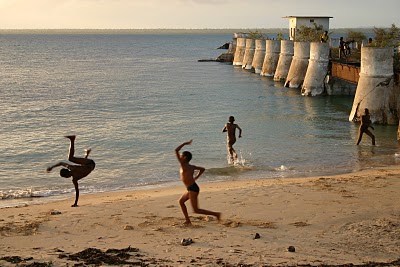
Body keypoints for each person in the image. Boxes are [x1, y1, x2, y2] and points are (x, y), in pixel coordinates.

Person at [175, 140, 221, 225]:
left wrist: (185, 144)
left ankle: (216, 214)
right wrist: (196, 177)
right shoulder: (191, 167)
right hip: (190, 188)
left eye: (181, 156)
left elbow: (176, 150)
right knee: (181, 202)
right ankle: (188, 221)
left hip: (193, 188)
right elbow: (202, 169)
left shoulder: (183, 165)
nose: (180, 157)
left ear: (185, 158)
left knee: (196, 210)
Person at [47, 135, 95, 207]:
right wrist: (51, 167)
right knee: (74, 162)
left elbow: (77, 191)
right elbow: (77, 191)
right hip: (89, 165)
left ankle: (72, 140)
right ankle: (84, 152)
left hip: (89, 165)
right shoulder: (73, 174)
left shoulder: (73, 173)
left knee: (71, 159)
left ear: (67, 175)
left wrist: (76, 203)